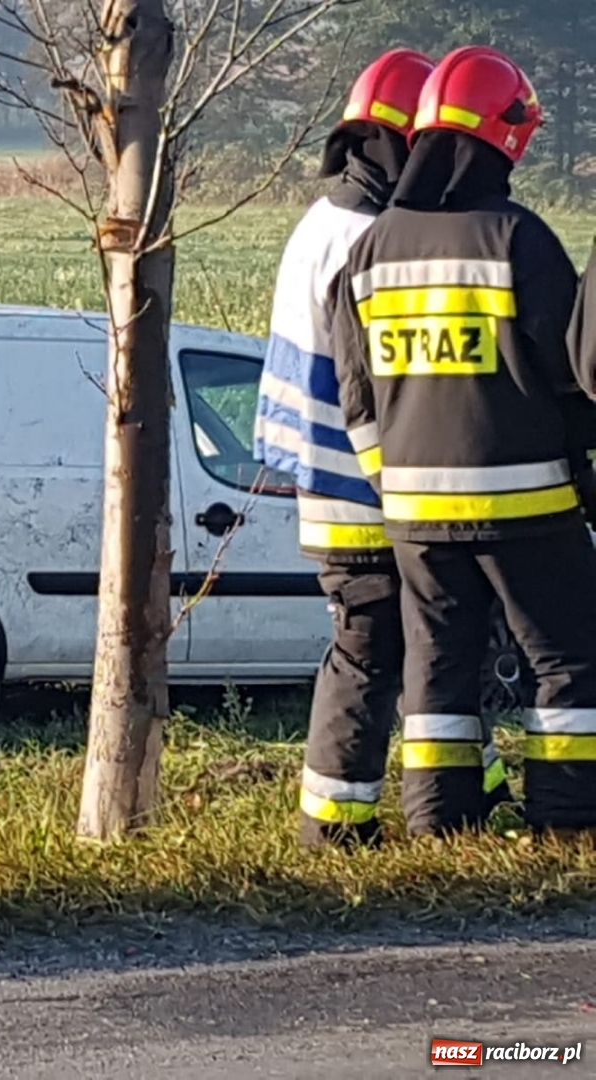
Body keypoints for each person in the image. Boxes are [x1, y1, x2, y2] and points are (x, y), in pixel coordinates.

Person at [333, 45, 596, 838]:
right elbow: (572, 371)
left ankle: (440, 824)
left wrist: (396, 483)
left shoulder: (370, 249)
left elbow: (358, 393)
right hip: (528, 501)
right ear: (500, 136)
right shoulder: (517, 238)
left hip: (415, 512)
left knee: (438, 670)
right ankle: (568, 819)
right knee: (567, 662)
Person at [254, 48, 438, 848]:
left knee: (387, 644)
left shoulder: (325, 221)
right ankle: (334, 828)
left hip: (327, 477)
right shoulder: (364, 236)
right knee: (372, 648)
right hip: (359, 483)